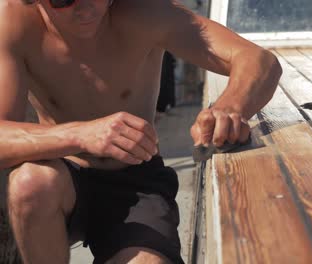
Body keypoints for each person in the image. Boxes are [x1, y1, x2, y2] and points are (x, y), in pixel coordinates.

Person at [0, 0, 282, 264]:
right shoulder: (12, 20)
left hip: (135, 180)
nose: (85, 8)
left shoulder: (144, 10)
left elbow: (258, 60)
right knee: (29, 184)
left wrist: (229, 108)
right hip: (63, 178)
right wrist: (80, 135)